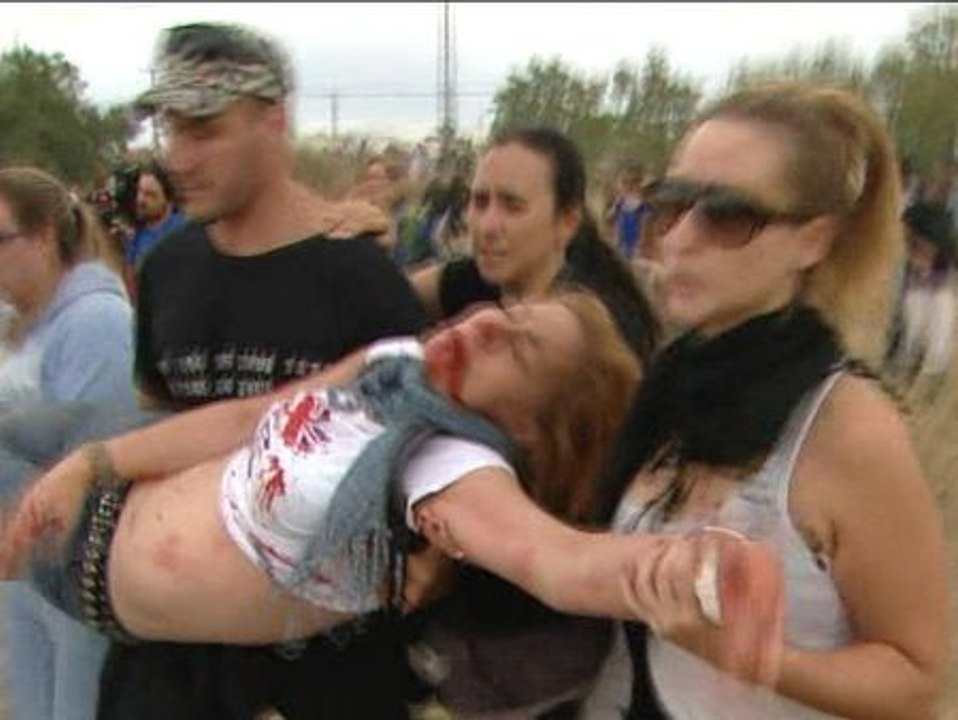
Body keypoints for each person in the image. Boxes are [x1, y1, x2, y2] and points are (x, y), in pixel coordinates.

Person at [0, 291, 781, 683]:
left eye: (517, 346)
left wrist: (685, 571)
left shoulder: (447, 469)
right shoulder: (397, 364)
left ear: (534, 431)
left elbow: (557, 562)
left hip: (78, 564)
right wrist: (95, 463)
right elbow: (245, 417)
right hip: (109, 456)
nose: (482, 321)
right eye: (506, 308)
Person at [580, 81, 948, 720]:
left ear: (813, 240)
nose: (681, 237)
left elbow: (914, 679)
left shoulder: (846, 424)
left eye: (728, 215)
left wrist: (746, 653)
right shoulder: (671, 387)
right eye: (673, 204)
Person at [102, 20, 430, 720]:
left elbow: (418, 489)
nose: (178, 158)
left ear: (273, 120)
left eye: (204, 129)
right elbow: (152, 429)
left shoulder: (361, 283)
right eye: (169, 131)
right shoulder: (166, 270)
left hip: (320, 672)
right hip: (171, 666)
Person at [0, 166, 136, 720]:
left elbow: (91, 450)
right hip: (23, 565)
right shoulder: (18, 322)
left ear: (45, 236)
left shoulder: (98, 321)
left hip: (74, 570)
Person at [411, 125, 661, 369]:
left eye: (513, 206)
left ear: (567, 222)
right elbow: (396, 295)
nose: (488, 225)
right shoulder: (476, 282)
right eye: (480, 202)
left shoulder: (593, 336)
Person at [884, 201, 956, 399]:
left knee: (935, 341)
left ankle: (926, 382)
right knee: (911, 336)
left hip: (934, 294)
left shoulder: (943, 260)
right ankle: (905, 376)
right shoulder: (906, 260)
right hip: (915, 294)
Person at [125, 161, 187, 273]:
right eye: (140, 191)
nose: (140, 200)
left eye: (150, 195)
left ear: (168, 200)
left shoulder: (184, 232)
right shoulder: (136, 236)